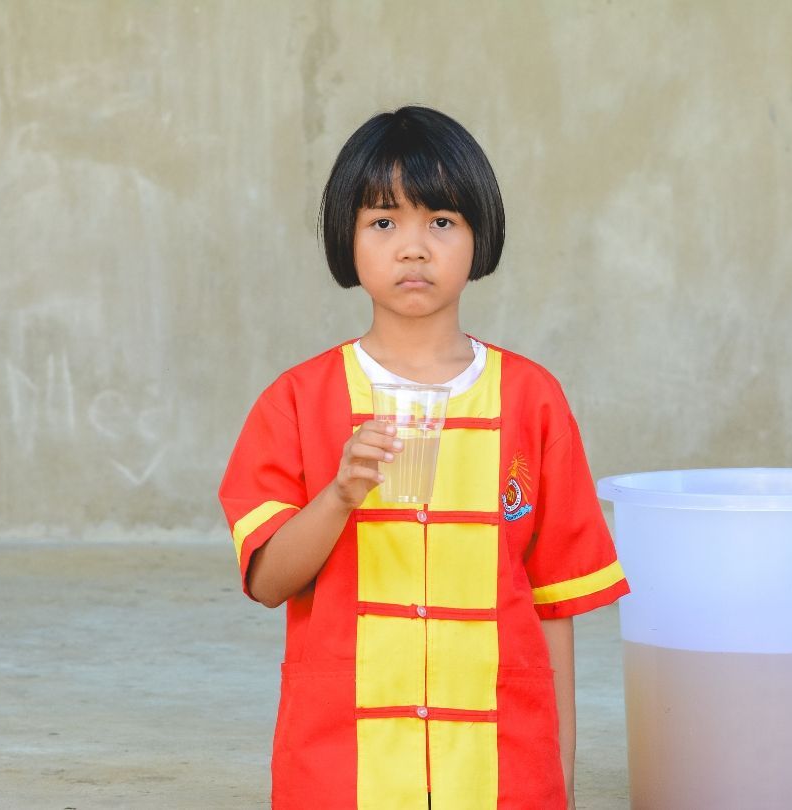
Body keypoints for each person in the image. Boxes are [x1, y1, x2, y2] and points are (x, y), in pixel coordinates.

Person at [219, 105, 629, 810]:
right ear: (347, 241)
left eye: (441, 221)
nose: (413, 247)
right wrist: (340, 493)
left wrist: (554, 784)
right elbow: (267, 581)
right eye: (383, 222)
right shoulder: (296, 400)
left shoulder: (532, 400)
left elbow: (553, 607)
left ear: (480, 236)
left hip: (501, 775)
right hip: (341, 774)